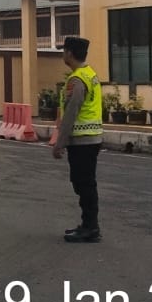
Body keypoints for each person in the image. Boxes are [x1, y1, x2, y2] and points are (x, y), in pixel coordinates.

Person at [52, 36, 103, 242]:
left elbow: (71, 113)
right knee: (85, 183)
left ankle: (90, 227)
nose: (63, 54)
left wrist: (59, 143)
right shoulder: (90, 74)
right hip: (91, 138)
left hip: (82, 141)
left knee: (84, 184)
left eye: (64, 51)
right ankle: (88, 224)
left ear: (70, 53)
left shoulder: (77, 80)